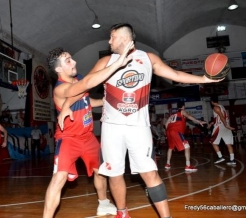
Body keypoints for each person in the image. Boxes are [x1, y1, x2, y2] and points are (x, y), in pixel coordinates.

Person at [59, 23, 221, 218]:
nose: (109, 41)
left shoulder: (148, 58)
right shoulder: (106, 61)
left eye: (112, 37)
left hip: (139, 127)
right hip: (112, 127)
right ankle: (122, 212)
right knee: (114, 173)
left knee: (150, 173)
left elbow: (176, 75)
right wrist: (66, 106)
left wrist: (204, 79)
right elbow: (84, 86)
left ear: (125, 38)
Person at [43, 41, 134, 218]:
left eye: (71, 58)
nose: (74, 62)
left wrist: (104, 102)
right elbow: (86, 85)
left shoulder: (77, 80)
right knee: (59, 178)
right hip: (68, 139)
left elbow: (85, 100)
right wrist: (117, 63)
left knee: (101, 171)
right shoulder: (60, 89)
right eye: (68, 61)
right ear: (58, 70)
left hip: (88, 137)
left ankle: (103, 204)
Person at [164, 101, 206, 172]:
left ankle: (167, 164)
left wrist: (167, 134)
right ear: (183, 106)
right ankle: (188, 165)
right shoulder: (182, 111)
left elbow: (166, 125)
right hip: (176, 131)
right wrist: (198, 121)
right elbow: (189, 116)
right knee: (187, 147)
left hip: (169, 132)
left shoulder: (172, 115)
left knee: (170, 147)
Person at [209, 95, 236, 165]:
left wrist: (226, 125)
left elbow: (221, 117)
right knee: (228, 144)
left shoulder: (215, 107)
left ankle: (220, 157)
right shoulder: (222, 107)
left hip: (220, 127)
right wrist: (212, 123)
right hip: (225, 126)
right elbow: (217, 117)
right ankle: (232, 159)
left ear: (211, 102)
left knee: (213, 142)